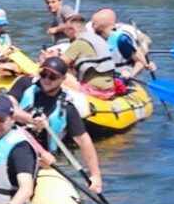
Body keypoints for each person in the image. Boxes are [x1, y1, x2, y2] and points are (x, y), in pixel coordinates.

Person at [8, 55, 103, 193]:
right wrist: (31, 119)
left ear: (63, 79)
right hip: (11, 141)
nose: (46, 80)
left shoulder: (67, 108)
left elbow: (83, 140)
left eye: (52, 77)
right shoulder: (25, 84)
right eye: (43, 74)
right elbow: (9, 109)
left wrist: (95, 175)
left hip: (41, 158)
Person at [57, 12, 115, 92]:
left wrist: (49, 58)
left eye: (65, 30)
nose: (65, 33)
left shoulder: (79, 43)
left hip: (94, 89)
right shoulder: (97, 38)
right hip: (109, 87)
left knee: (55, 74)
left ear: (72, 30)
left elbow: (58, 64)